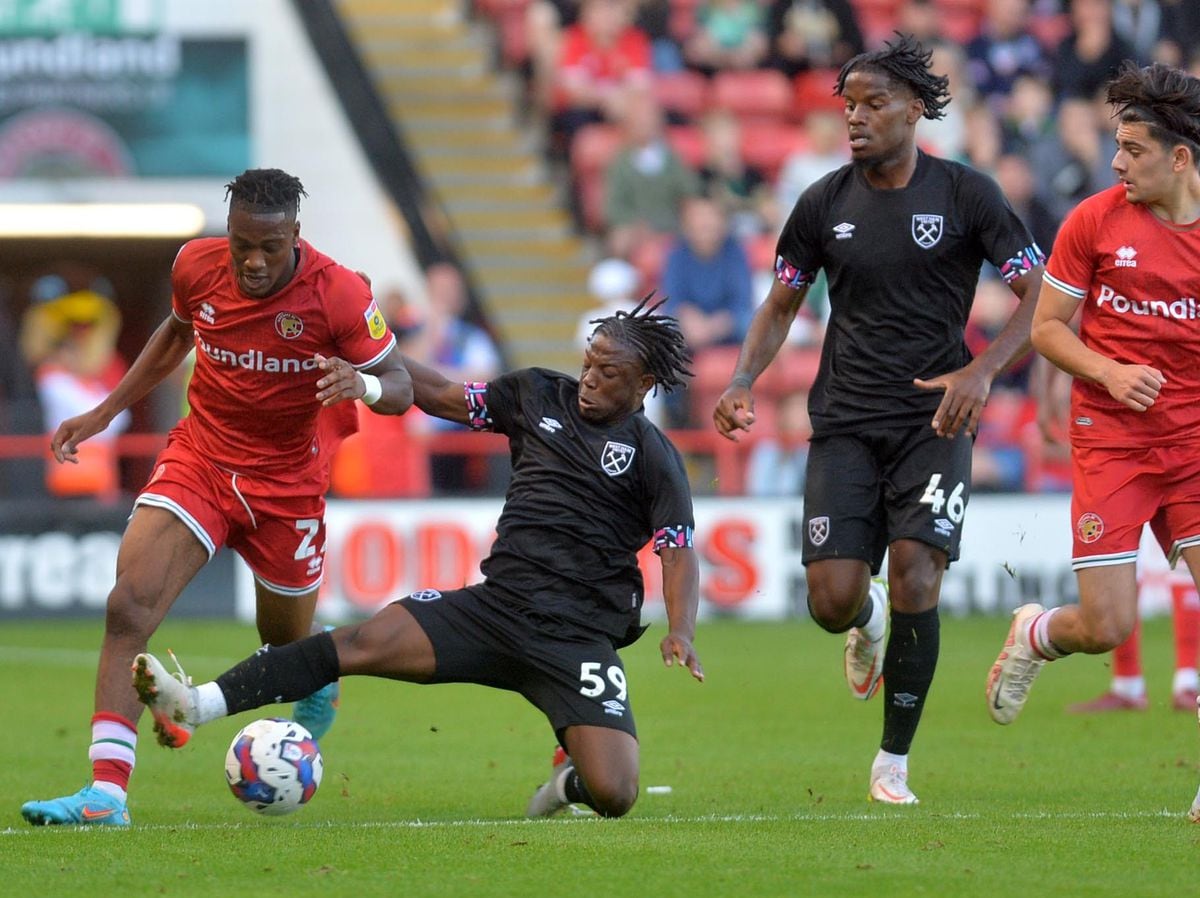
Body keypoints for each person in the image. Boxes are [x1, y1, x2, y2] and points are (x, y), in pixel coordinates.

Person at [131, 298, 704, 820]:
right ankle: (196, 704)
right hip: (494, 611)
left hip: (576, 639)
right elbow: (444, 396)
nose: (589, 380)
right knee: (360, 643)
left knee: (616, 793)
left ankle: (565, 784)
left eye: (609, 374)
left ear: (644, 384)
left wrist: (681, 629)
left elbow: (677, 553)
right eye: (588, 362)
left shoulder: (653, 456)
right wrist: (368, 360)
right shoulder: (537, 394)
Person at [20, 168, 413, 827]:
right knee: (128, 606)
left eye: (269, 247)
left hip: (289, 487)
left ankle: (316, 669)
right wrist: (105, 411)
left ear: (295, 235)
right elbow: (175, 334)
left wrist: (362, 386)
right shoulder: (195, 265)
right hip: (202, 458)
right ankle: (105, 794)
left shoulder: (340, 294)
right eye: (240, 245)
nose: (252, 261)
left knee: (282, 645)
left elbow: (398, 383)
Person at [711, 34, 1045, 805]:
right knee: (830, 600)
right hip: (846, 421)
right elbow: (780, 304)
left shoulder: (967, 194)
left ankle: (892, 761)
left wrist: (983, 368)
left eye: (872, 103)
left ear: (917, 109)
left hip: (935, 421)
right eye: (848, 105)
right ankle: (864, 620)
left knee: (919, 575)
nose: (855, 118)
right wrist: (741, 380)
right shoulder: (822, 203)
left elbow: (1042, 298)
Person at [984, 62, 1200, 822]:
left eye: (1133, 150)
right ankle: (1038, 634)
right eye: (1115, 146)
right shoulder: (1094, 221)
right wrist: (1108, 372)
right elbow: (1044, 328)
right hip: (1111, 440)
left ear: (1179, 159)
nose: (1116, 163)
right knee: (1106, 626)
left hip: (1195, 446)